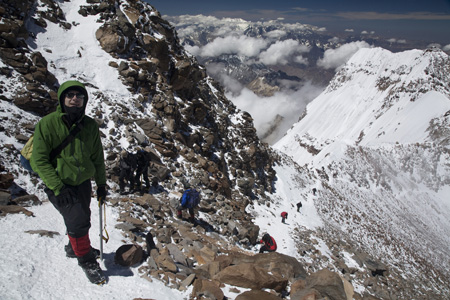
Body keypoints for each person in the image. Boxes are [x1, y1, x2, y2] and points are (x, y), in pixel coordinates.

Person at [30, 80, 107, 285]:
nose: (75, 99)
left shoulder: (90, 125)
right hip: (59, 183)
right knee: (78, 220)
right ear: (62, 98)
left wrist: (101, 184)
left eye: (79, 96)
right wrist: (57, 187)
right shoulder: (47, 124)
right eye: (70, 95)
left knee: (83, 218)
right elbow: (39, 160)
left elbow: (97, 157)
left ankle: (74, 246)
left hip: (82, 182)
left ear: (85, 100)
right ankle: (86, 260)